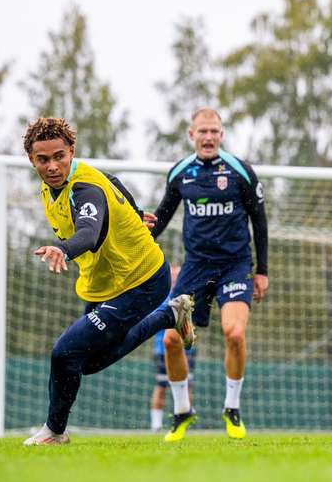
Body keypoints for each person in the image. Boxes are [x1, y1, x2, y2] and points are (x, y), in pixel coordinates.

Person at [21, 117, 195, 446]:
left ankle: (54, 432)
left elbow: (88, 232)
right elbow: (112, 179)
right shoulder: (55, 185)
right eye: (43, 159)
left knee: (64, 353)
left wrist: (63, 249)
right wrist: (133, 208)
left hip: (141, 280)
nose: (53, 166)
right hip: (106, 284)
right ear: (32, 159)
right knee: (87, 362)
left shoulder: (84, 189)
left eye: (59, 156)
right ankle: (170, 315)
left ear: (71, 151)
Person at [145, 107, 269, 441]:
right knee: (172, 340)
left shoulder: (240, 171)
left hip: (235, 267)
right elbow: (162, 218)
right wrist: (135, 243)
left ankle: (232, 407)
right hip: (195, 270)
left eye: (214, 131)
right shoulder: (180, 174)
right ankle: (182, 410)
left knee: (234, 333)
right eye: (203, 131)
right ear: (191, 135)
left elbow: (259, 221)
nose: (209, 137)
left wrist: (262, 271)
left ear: (222, 134)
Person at [150, 265, 198, 431]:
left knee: (187, 385)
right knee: (161, 386)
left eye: (179, 274)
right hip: (162, 350)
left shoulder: (188, 297)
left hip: (187, 350)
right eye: (173, 274)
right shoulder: (160, 297)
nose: (176, 277)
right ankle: (156, 425)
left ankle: (185, 419)